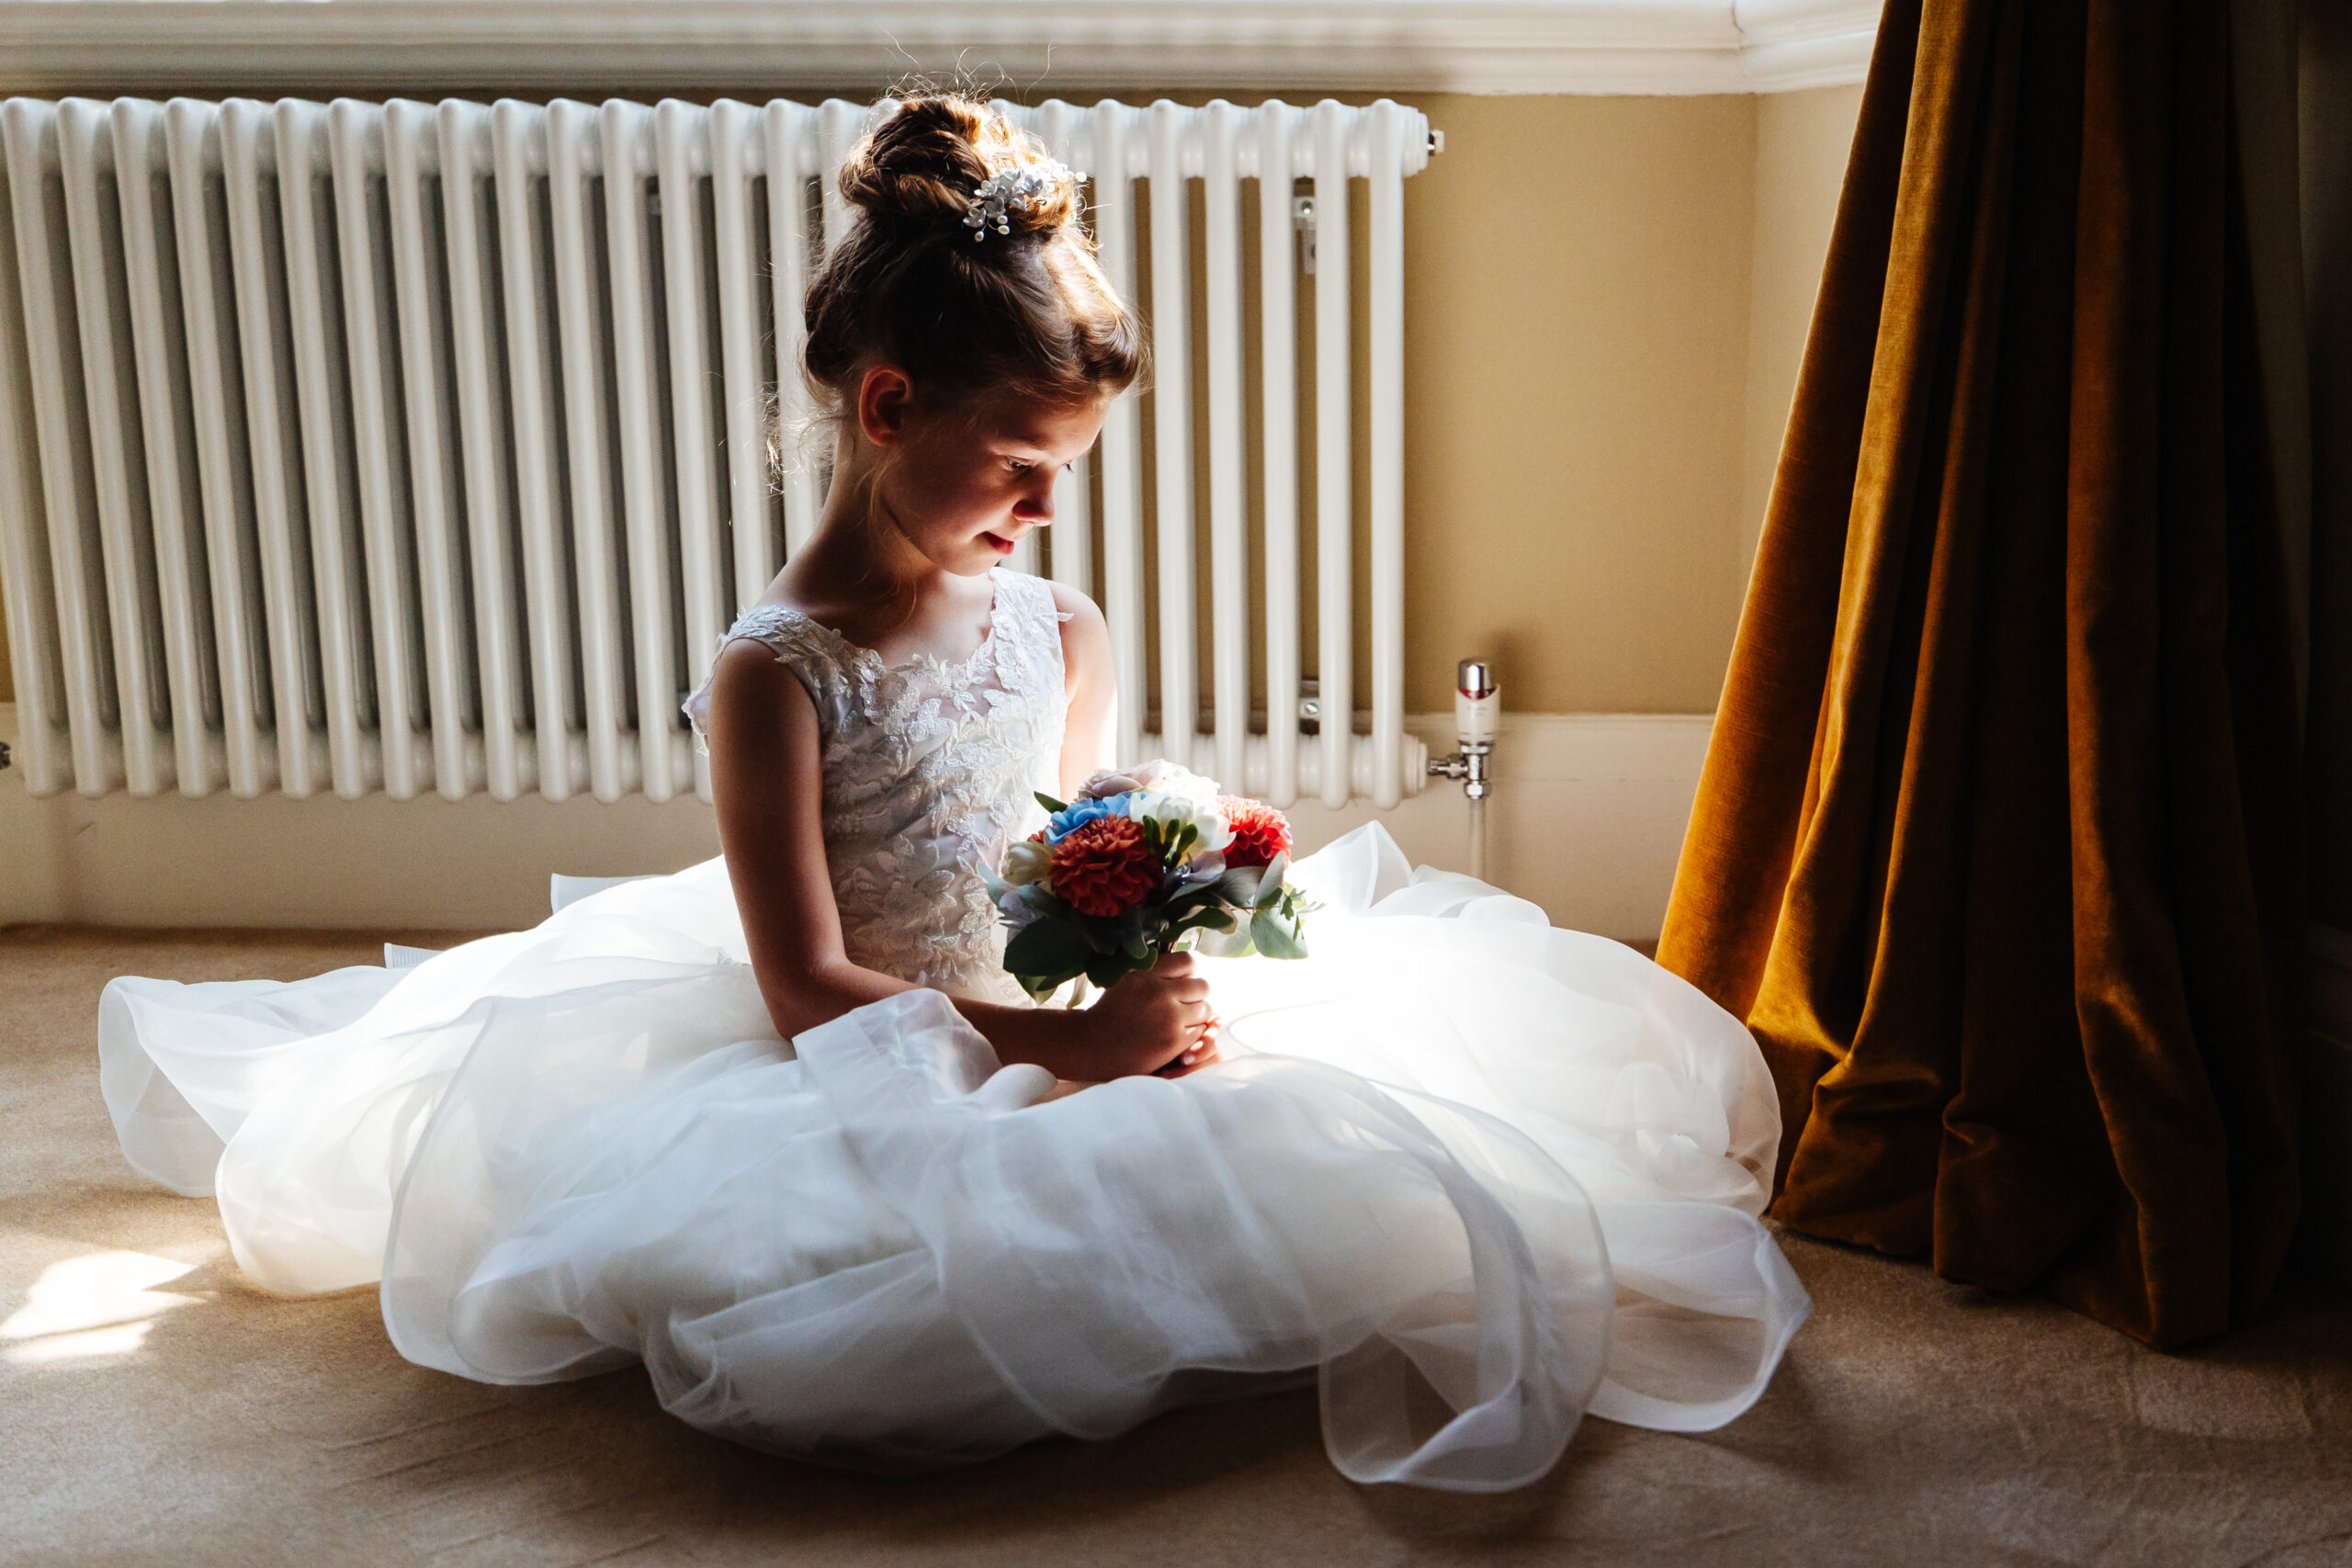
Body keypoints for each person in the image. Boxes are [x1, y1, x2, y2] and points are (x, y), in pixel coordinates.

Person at [95, 94, 1809, 1492]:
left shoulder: (1056, 624)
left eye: (1062, 473)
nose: (1045, 513)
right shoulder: (778, 672)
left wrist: (1145, 894)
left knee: (1382, 1156)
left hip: (1027, 993)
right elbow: (804, 992)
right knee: (880, 1316)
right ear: (889, 406)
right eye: (1020, 469)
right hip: (875, 1030)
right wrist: (1076, 1052)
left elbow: (1058, 850)